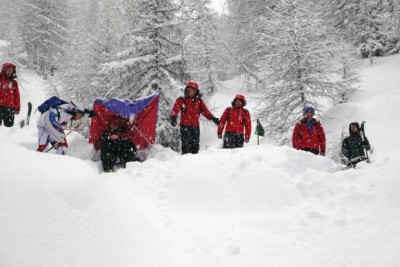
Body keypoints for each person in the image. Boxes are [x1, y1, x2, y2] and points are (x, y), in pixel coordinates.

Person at [170, 81, 219, 154]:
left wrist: (213, 118)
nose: (191, 92)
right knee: (186, 145)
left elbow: (205, 111)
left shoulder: (199, 101)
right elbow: (175, 108)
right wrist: (173, 117)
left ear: (196, 91)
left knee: (195, 145)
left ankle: (194, 161)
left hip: (195, 126)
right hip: (184, 125)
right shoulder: (182, 99)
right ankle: (184, 160)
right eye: (189, 90)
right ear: (186, 90)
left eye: (193, 90)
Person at [0, 62, 20, 127]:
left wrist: (17, 107)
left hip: (10, 108)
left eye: (11, 70)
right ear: (4, 70)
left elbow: (17, 96)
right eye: (8, 70)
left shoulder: (14, 83)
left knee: (9, 127)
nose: (10, 72)